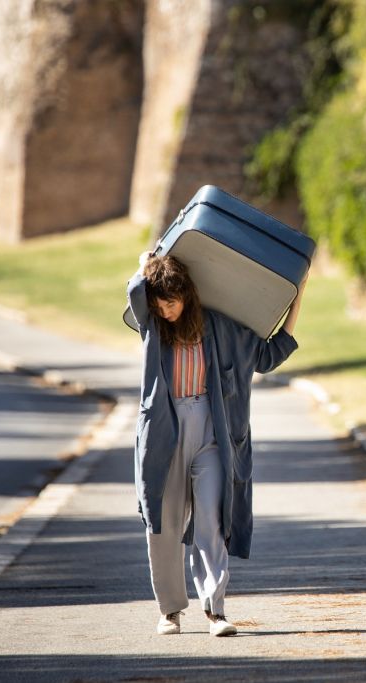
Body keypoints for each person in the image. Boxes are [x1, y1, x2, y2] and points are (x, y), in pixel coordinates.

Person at [127, 252, 304, 635]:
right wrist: (146, 263)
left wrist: (298, 293)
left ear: (187, 296)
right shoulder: (152, 327)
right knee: (164, 523)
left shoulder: (221, 329)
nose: (164, 309)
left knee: (211, 518)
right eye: (159, 303)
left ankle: (215, 611)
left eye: (170, 302)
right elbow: (136, 292)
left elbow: (270, 353)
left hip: (212, 436)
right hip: (164, 436)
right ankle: (169, 611)